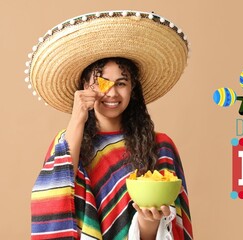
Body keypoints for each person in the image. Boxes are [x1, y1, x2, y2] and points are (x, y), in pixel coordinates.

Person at [28, 10, 192, 240]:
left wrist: (148, 221)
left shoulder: (160, 146)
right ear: (85, 85)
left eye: (121, 83)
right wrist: (77, 118)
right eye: (101, 82)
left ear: (133, 89)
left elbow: (168, 230)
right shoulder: (66, 144)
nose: (112, 93)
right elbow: (55, 202)